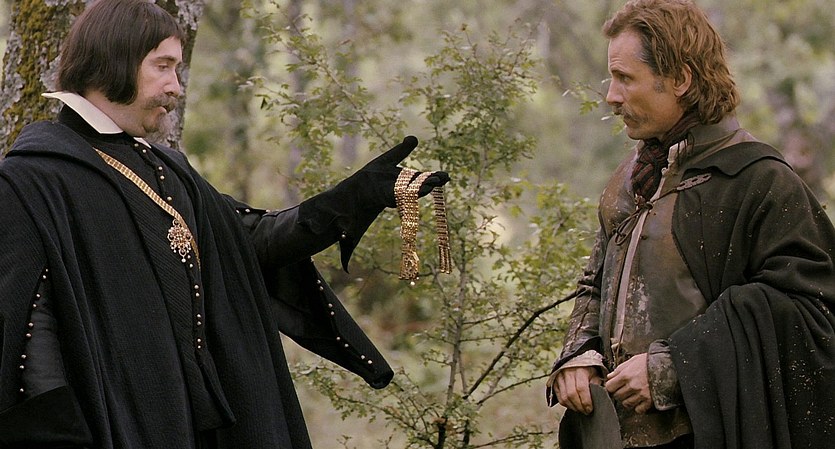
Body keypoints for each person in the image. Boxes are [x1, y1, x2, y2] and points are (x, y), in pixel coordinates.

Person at [0, 0, 448, 448]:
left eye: (177, 69)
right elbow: (30, 344)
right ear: (112, 60)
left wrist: (357, 195)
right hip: (119, 429)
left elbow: (249, 242)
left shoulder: (168, 170)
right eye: (162, 67)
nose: (175, 87)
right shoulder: (31, 183)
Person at [546, 1, 835, 448]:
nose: (611, 96)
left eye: (625, 78)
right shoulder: (630, 177)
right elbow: (595, 283)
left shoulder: (758, 180)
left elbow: (809, 309)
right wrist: (579, 355)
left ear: (680, 79)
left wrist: (673, 366)